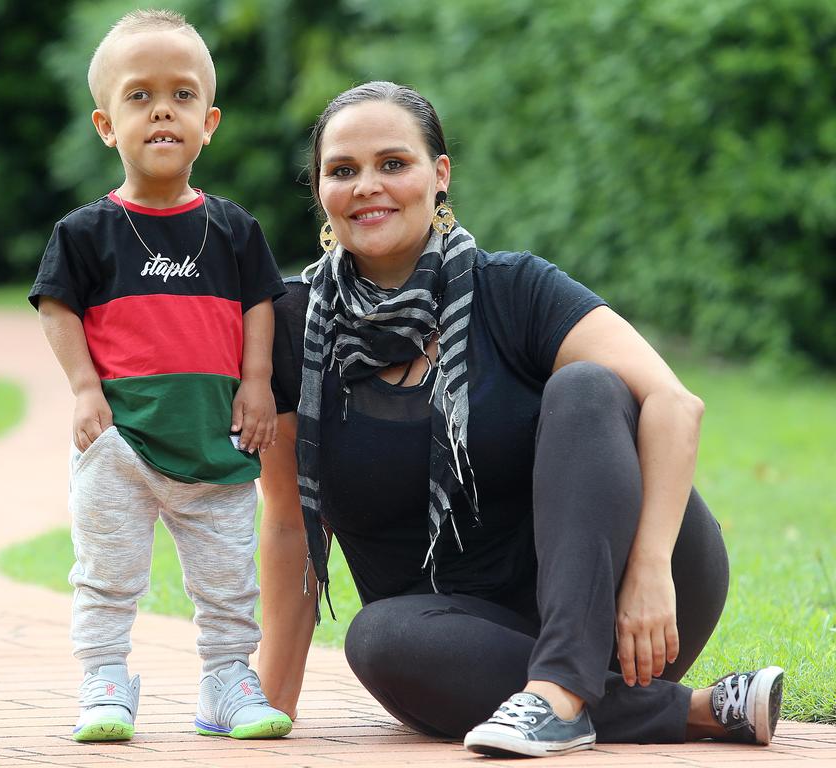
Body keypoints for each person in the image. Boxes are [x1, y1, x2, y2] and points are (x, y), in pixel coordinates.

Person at [258, 81, 784, 758]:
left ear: (439, 175)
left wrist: (651, 568)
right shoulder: (294, 332)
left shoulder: (515, 290)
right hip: (456, 638)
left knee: (591, 387)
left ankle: (561, 696)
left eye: (394, 163)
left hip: (629, 600)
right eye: (343, 170)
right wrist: (272, 706)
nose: (368, 185)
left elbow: (675, 403)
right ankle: (696, 710)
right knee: (377, 639)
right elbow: (287, 523)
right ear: (320, 190)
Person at [29, 9, 291, 743]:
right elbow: (56, 307)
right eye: (139, 96)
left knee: (227, 578)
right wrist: (85, 388)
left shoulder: (234, 229)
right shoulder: (85, 233)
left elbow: (260, 304)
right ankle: (105, 678)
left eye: (180, 95)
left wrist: (258, 381)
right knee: (107, 573)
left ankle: (227, 680)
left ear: (209, 122)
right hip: (119, 444)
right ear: (106, 125)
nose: (162, 110)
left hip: (217, 442)